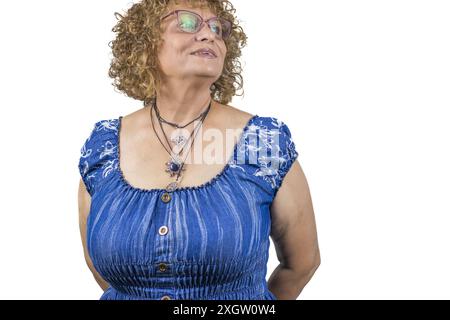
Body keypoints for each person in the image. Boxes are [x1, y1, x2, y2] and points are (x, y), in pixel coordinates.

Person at [77, 0, 320, 300]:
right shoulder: (103, 147)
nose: (209, 35)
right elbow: (99, 267)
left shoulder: (264, 143)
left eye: (217, 28)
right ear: (145, 41)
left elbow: (301, 265)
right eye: (189, 23)